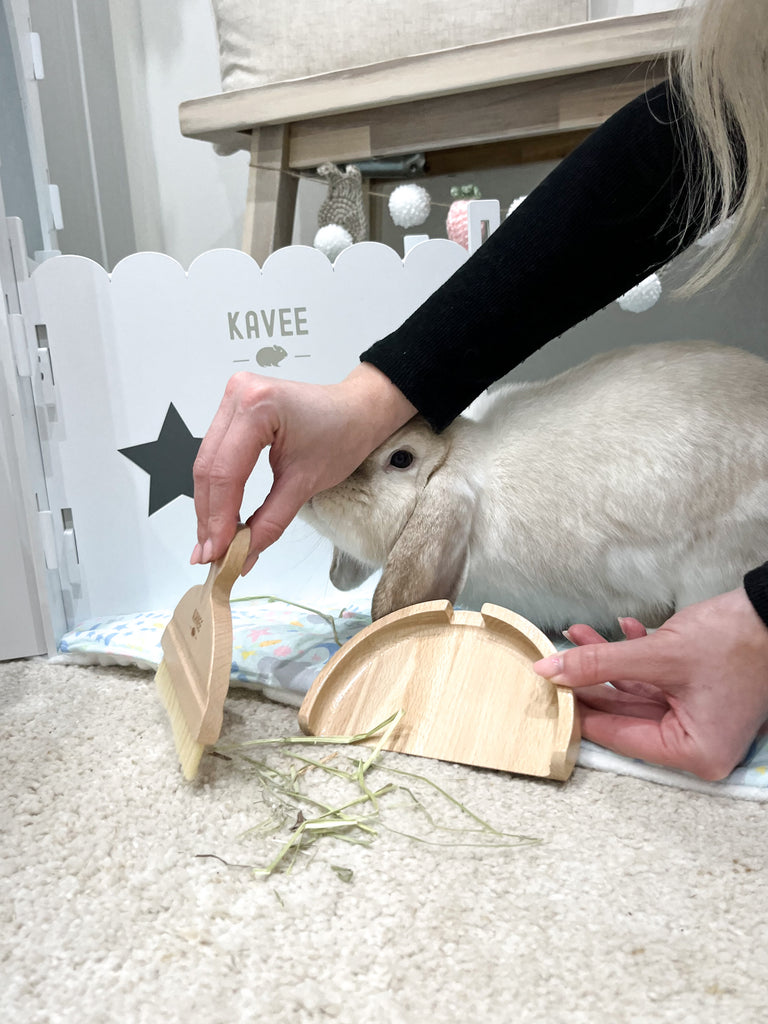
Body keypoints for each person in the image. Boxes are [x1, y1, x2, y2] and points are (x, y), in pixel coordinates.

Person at [192, 0, 768, 782]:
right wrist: (373, 397)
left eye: (390, 461)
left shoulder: (457, 494)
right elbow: (691, 134)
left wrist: (757, 619)